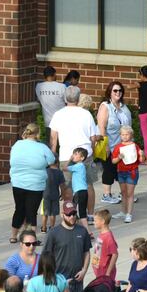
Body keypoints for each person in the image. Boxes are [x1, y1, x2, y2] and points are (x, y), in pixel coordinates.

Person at [49, 86, 100, 224]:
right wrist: (93, 153)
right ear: (78, 98)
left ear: (65, 98)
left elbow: (54, 138)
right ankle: (89, 214)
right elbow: (93, 137)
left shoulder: (58, 114)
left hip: (66, 155)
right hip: (85, 155)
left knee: (67, 187)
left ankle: (70, 213)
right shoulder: (86, 114)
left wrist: (52, 156)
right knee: (88, 185)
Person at [9, 123, 56, 242]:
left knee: (19, 209)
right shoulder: (42, 147)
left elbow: (12, 160)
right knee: (31, 211)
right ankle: (31, 238)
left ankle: (13, 236)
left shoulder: (17, 145)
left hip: (18, 183)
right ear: (37, 133)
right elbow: (51, 160)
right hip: (35, 184)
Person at [42, 200, 91, 292]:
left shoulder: (82, 231)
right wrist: (54, 278)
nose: (72, 217)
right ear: (62, 214)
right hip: (60, 283)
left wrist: (84, 270)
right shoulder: (53, 233)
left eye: (74, 213)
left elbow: (86, 252)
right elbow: (45, 258)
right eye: (69, 214)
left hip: (78, 282)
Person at [96, 81, 132, 205]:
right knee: (109, 169)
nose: (118, 93)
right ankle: (106, 194)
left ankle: (124, 194)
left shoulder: (123, 107)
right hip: (109, 144)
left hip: (122, 145)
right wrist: (105, 145)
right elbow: (101, 127)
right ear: (110, 92)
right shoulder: (105, 106)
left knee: (123, 170)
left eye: (120, 90)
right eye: (115, 90)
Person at [91, 210, 120, 292]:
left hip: (106, 275)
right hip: (99, 274)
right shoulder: (101, 235)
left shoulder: (108, 236)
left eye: (96, 220)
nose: (94, 222)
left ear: (102, 222)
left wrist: (108, 272)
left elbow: (114, 254)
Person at [111, 126, 143, 222]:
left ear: (131, 135)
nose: (124, 136)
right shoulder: (118, 147)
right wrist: (119, 158)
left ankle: (129, 214)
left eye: (126, 134)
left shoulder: (134, 146)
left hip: (132, 172)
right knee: (124, 193)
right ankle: (123, 212)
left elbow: (141, 160)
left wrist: (142, 154)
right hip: (121, 172)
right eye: (123, 134)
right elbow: (113, 161)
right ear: (120, 135)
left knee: (130, 193)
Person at [64, 147, 90, 230]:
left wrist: (69, 159)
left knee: (77, 211)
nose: (73, 156)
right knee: (75, 210)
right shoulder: (80, 166)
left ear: (82, 158)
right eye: (73, 154)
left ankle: (87, 231)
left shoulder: (78, 166)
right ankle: (78, 227)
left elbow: (64, 168)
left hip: (80, 191)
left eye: (75, 154)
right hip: (82, 191)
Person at [41, 162, 64, 234]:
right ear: (57, 162)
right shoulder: (59, 172)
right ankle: (52, 228)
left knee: (45, 213)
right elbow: (62, 185)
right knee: (53, 213)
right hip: (55, 195)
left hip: (45, 194)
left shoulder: (44, 171)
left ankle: (44, 228)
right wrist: (62, 194)